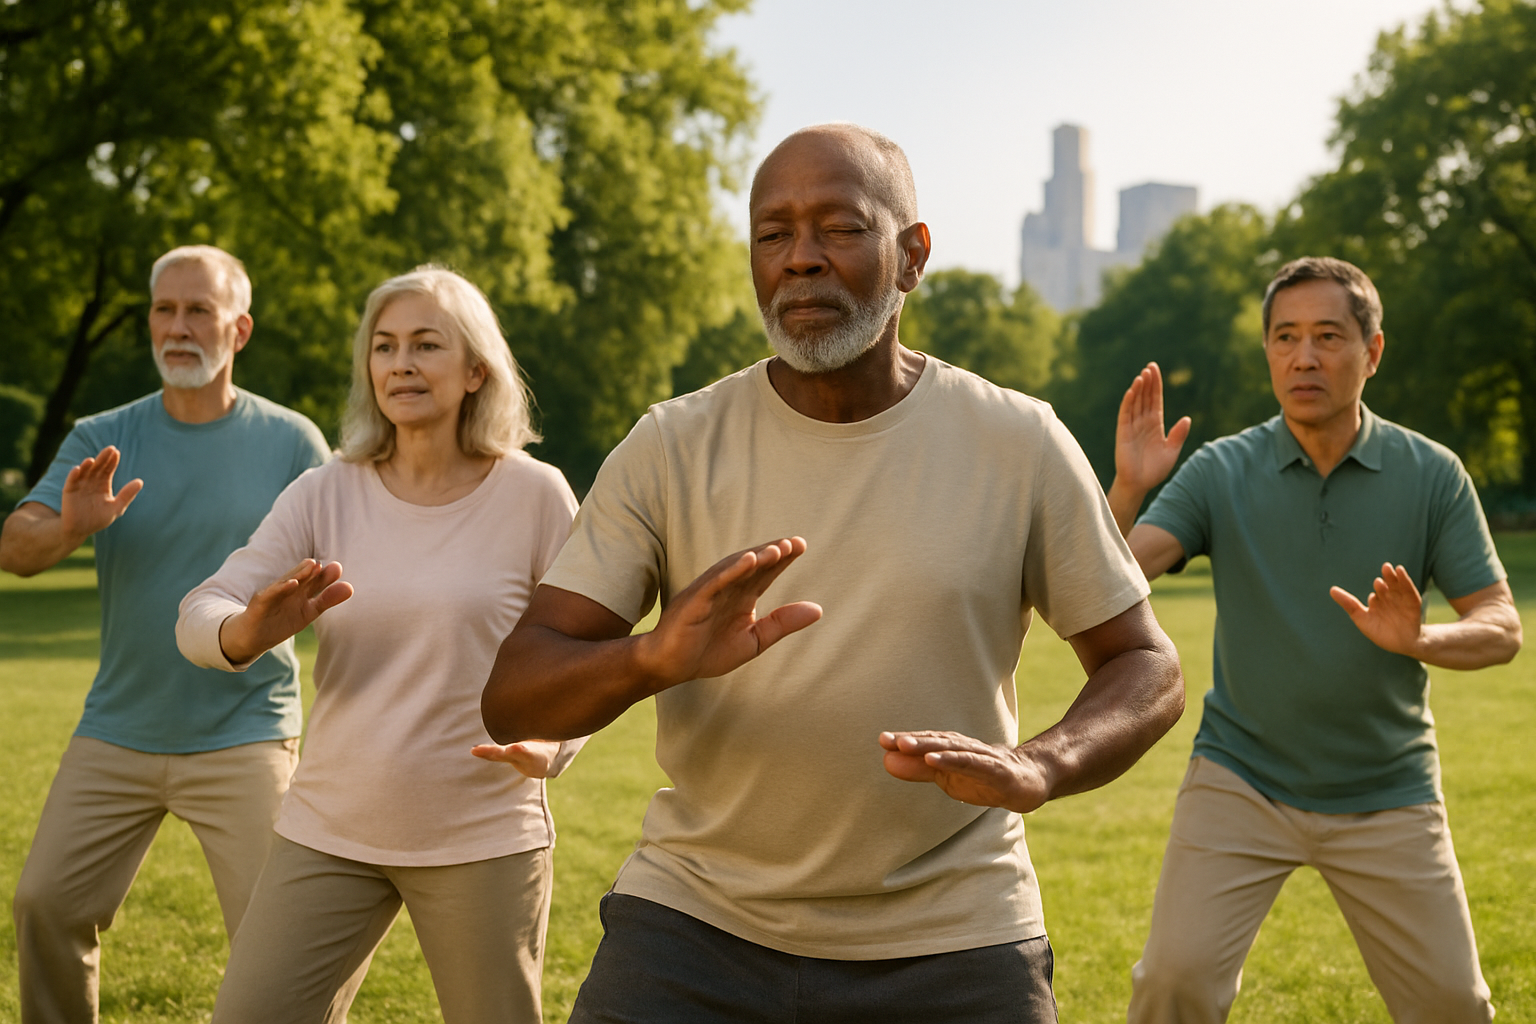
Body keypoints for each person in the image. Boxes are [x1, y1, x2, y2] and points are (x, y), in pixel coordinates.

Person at [480, 123, 1186, 1024]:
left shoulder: (1019, 441)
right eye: (773, 235)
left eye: (840, 229)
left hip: (956, 932)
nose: (800, 260)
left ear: (912, 256)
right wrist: (652, 658)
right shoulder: (670, 444)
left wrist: (1038, 765)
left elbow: (1146, 667)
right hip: (696, 923)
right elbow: (514, 696)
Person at [1109, 257, 1522, 1024]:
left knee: (1453, 1006)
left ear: (1373, 351)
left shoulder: (1433, 474)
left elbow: (1501, 626)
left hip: (1387, 789)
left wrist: (1421, 637)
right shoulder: (1220, 469)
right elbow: (1115, 577)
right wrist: (1130, 489)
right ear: (1267, 351)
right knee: (1174, 985)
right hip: (1240, 778)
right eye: (1286, 337)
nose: (1304, 357)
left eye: (1329, 336)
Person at [176, 266, 580, 1024]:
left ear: (475, 370)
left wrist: (553, 743)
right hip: (329, 828)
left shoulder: (536, 495)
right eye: (384, 346)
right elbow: (202, 611)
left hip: (481, 831)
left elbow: (586, 649)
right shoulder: (325, 492)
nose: (401, 363)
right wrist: (244, 631)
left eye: (426, 345)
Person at [1, 246, 329, 1024]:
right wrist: (70, 528)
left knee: (283, 938)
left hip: (246, 730)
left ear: (238, 330)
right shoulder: (101, 437)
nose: (177, 327)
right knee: (44, 903)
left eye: (199, 311)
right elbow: (16, 550)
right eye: (163, 310)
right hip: (120, 727)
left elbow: (348, 566)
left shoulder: (292, 442)